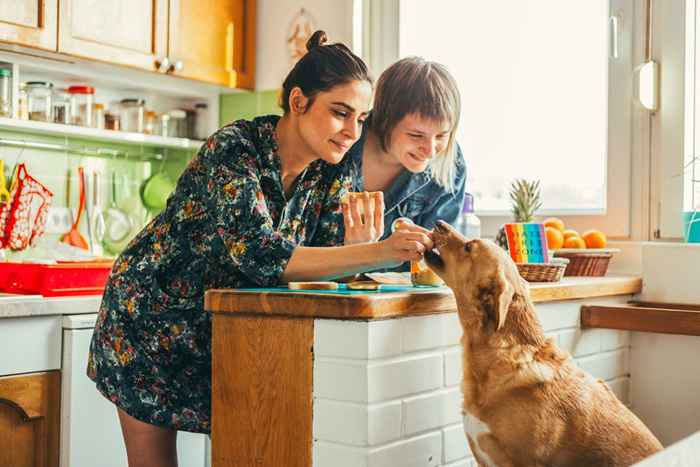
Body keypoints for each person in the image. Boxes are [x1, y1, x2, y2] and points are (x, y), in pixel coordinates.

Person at [87, 31, 433, 467]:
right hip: (149, 321)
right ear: (298, 102)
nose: (351, 131)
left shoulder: (334, 169)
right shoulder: (233, 149)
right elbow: (262, 255)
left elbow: (323, 266)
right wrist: (377, 253)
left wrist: (355, 253)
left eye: (361, 118)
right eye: (340, 112)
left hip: (231, 332)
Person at [342, 57, 466, 251]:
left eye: (442, 135)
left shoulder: (452, 165)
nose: (431, 150)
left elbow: (440, 259)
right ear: (385, 121)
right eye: (416, 135)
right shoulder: (340, 145)